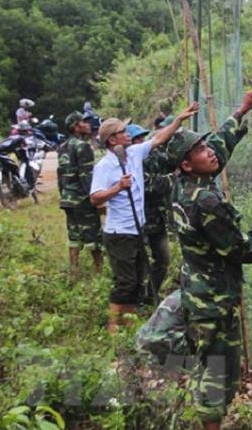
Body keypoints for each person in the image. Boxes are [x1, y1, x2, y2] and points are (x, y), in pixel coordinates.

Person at [167, 88, 252, 429]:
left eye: (205, 146)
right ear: (187, 164)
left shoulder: (182, 186)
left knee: (212, 364)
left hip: (198, 293)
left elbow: (219, 147)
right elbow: (239, 250)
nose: (208, 152)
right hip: (214, 301)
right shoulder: (206, 203)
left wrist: (241, 111)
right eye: (199, 150)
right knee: (216, 373)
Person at [90, 102, 199, 334]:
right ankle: (113, 327)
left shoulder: (133, 153)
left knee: (137, 278)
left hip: (136, 230)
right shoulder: (105, 166)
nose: (127, 134)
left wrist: (179, 119)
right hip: (119, 233)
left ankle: (128, 324)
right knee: (125, 282)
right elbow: (95, 198)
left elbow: (159, 138)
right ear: (112, 140)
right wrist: (118, 188)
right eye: (122, 132)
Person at [127, 123, 173, 304]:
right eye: (136, 139)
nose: (140, 141)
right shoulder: (129, 163)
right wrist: (173, 178)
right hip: (138, 220)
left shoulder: (153, 156)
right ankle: (137, 297)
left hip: (157, 219)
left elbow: (170, 160)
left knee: (163, 259)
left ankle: (150, 295)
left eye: (142, 138)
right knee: (137, 262)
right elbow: (151, 186)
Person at [57, 111, 104, 274]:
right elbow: (87, 176)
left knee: (74, 234)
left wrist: (63, 194)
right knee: (93, 234)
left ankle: (73, 269)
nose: (88, 125)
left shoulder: (62, 147)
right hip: (81, 199)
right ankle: (100, 270)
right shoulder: (83, 147)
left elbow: (60, 175)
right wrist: (96, 199)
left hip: (67, 199)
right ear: (76, 127)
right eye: (84, 122)